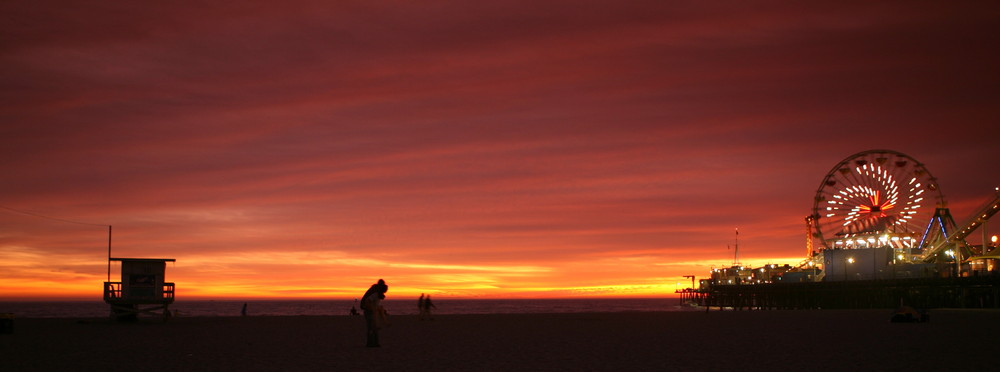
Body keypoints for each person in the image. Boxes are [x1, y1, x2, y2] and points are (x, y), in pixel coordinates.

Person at [360, 279, 388, 347]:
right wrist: (372, 309)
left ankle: (375, 343)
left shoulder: (376, 293)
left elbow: (375, 303)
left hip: (371, 311)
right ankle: (370, 344)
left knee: (374, 327)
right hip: (369, 312)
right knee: (371, 327)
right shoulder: (375, 294)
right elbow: (368, 301)